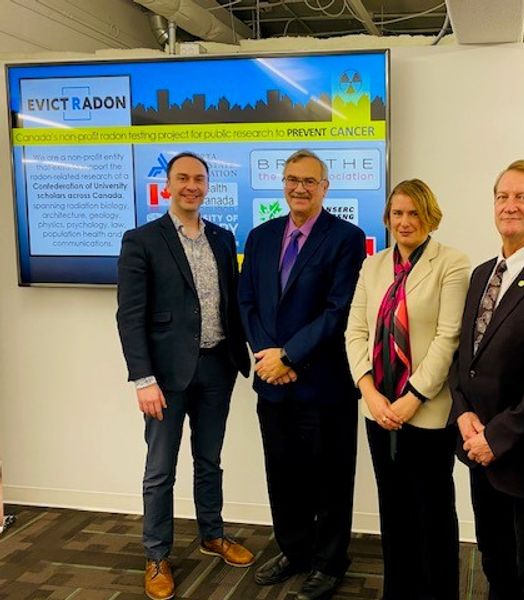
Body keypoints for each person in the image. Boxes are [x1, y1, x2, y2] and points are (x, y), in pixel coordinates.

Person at [116, 152, 254, 600]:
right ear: (168, 185)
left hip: (217, 367)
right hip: (165, 377)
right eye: (183, 178)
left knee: (209, 460)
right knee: (160, 471)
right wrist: (143, 379)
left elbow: (230, 305)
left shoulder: (221, 236)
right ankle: (157, 555)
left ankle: (212, 534)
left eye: (199, 178)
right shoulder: (142, 240)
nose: (191, 186)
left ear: (207, 185)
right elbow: (130, 316)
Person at [238, 149, 366, 600]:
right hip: (272, 385)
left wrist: (288, 357)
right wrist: (266, 358)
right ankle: (295, 552)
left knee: (331, 480)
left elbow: (340, 310)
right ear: (283, 183)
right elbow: (247, 302)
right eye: (293, 179)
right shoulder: (260, 237)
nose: (299, 188)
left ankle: (329, 563)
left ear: (325, 187)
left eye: (310, 181)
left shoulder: (346, 238)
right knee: (283, 475)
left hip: (323, 384)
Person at [449, 160, 524, 600]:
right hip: (479, 450)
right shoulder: (482, 274)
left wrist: (497, 436)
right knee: (495, 563)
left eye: (523, 197)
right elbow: (466, 357)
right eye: (502, 196)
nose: (510, 205)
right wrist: (462, 415)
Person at [345, 179, 470, 599]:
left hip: (428, 411)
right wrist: (369, 392)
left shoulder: (452, 263)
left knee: (432, 510)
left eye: (414, 212)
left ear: (429, 216)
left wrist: (413, 397)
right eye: (397, 213)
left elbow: (448, 338)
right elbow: (355, 331)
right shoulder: (373, 265)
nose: (404, 221)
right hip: (378, 408)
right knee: (393, 509)